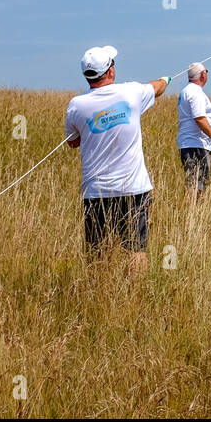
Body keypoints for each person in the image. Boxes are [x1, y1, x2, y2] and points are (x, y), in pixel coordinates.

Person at [64, 45, 170, 273]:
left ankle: (96, 293)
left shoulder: (76, 105)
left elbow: (72, 142)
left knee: (96, 250)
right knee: (136, 249)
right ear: (110, 71)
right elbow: (158, 88)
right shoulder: (131, 92)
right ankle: (136, 299)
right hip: (133, 189)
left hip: (96, 192)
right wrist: (166, 79)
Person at [177, 62, 211, 201]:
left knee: (198, 182)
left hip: (194, 143)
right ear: (203, 74)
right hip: (196, 144)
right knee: (195, 183)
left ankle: (195, 213)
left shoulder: (189, 91)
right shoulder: (195, 92)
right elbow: (200, 118)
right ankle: (192, 214)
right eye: (206, 71)